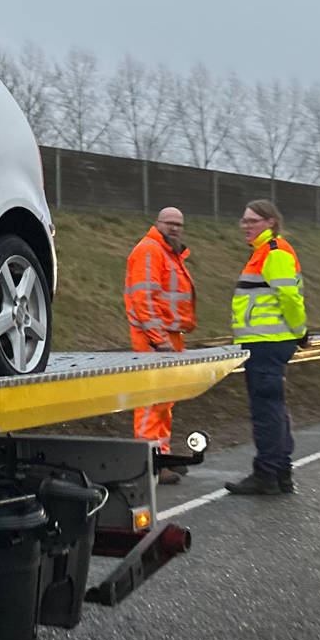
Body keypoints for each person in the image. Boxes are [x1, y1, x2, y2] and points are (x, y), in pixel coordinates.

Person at [227, 200, 306, 496]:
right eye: (244, 221)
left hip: (267, 341)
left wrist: (300, 331)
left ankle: (267, 474)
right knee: (274, 407)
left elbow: (288, 296)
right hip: (268, 340)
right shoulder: (266, 252)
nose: (245, 226)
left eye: (253, 221)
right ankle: (281, 473)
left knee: (266, 409)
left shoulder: (274, 252)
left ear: (271, 221)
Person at [124, 206, 195, 482]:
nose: (175, 228)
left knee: (163, 401)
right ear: (157, 223)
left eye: (179, 224)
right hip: (154, 339)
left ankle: (161, 455)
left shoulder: (167, 252)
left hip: (168, 336)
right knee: (151, 401)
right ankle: (149, 464)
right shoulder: (150, 250)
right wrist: (158, 339)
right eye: (169, 223)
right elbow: (144, 299)